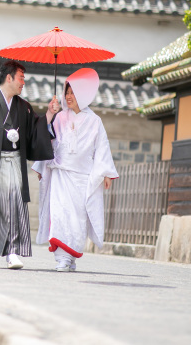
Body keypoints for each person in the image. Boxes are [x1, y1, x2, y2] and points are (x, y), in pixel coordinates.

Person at [0, 60, 60, 269]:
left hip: (14, 161)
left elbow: (35, 130)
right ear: (9, 78)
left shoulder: (23, 107)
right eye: (21, 77)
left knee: (15, 206)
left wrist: (50, 114)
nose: (24, 82)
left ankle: (12, 252)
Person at [32, 68, 118, 272]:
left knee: (77, 218)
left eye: (72, 92)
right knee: (60, 214)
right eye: (66, 92)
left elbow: (102, 147)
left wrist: (106, 172)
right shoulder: (60, 117)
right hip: (61, 175)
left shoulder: (95, 121)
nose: (68, 96)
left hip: (82, 178)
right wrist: (41, 164)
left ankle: (70, 256)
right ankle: (61, 258)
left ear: (84, 94)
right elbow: (48, 141)